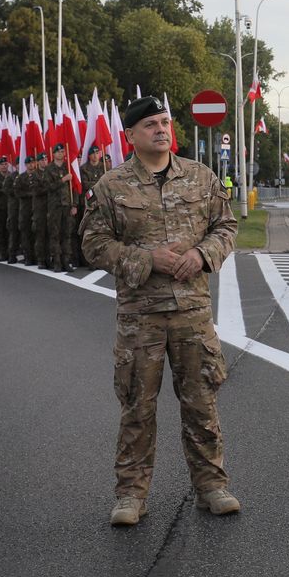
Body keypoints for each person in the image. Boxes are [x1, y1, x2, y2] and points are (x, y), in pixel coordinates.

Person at [80, 96, 240, 527]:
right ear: (130, 135)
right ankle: (130, 494)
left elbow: (226, 227)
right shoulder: (111, 187)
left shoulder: (201, 178)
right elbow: (92, 244)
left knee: (201, 402)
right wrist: (147, 259)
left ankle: (212, 485)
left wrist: (202, 255)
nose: (161, 130)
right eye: (150, 124)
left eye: (165, 122)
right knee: (137, 406)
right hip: (140, 316)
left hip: (192, 311)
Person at [44, 143, 76, 272]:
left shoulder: (68, 167)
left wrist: (74, 205)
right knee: (55, 234)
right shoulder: (49, 169)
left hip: (67, 206)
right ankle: (56, 261)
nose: (60, 154)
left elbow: (74, 188)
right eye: (58, 152)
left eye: (62, 151)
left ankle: (66, 261)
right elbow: (48, 187)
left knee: (67, 234)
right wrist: (63, 180)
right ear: (54, 154)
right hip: (55, 207)